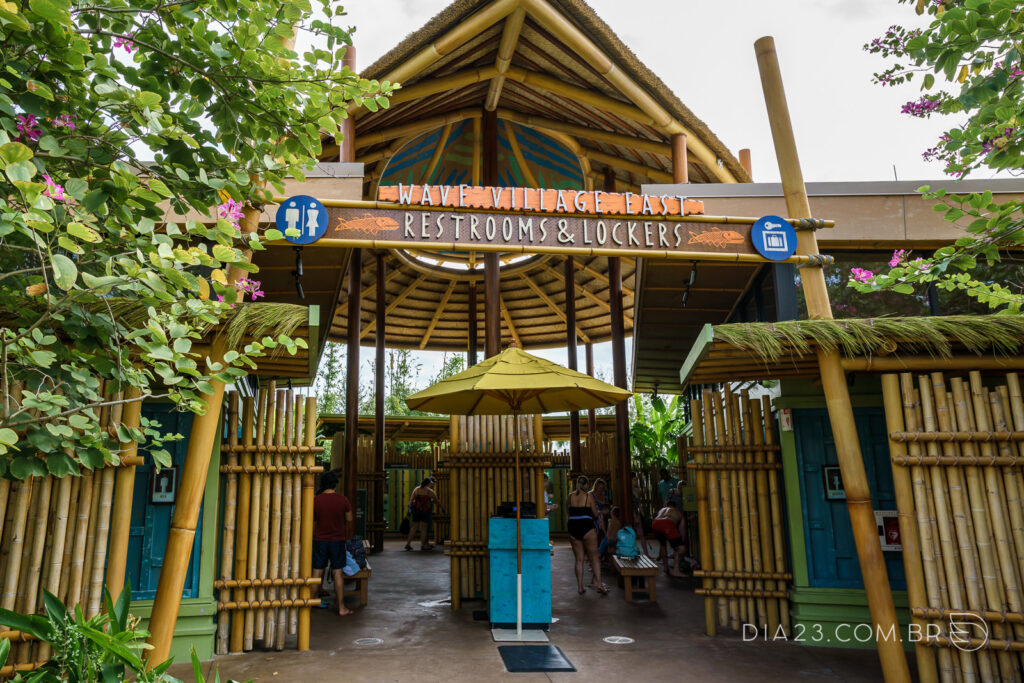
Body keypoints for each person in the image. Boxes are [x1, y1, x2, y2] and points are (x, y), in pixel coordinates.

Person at [311, 471, 354, 616]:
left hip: (319, 540)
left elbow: (312, 520)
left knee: (317, 571)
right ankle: (342, 607)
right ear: (335, 484)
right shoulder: (343, 500)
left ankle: (311, 602)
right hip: (337, 540)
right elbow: (349, 519)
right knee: (337, 572)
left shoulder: (315, 500)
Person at [567, 475, 607, 595]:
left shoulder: (570, 497)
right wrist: (600, 512)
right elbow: (595, 514)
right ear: (586, 485)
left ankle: (580, 587)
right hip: (587, 527)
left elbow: (568, 511)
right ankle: (599, 584)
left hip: (573, 527)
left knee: (579, 559)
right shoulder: (588, 497)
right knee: (594, 558)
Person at [405, 477, 444, 551]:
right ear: (428, 483)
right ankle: (423, 545)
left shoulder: (416, 489)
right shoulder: (429, 491)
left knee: (414, 528)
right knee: (424, 529)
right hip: (425, 511)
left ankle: (408, 544)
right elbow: (437, 501)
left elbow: (411, 500)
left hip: (416, 511)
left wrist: (409, 510)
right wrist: (442, 509)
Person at [652, 501, 686, 578]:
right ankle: (676, 571)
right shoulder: (678, 512)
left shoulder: (662, 510)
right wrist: (681, 543)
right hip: (667, 523)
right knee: (681, 549)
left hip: (655, 523)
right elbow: (682, 530)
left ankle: (665, 568)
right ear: (675, 506)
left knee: (663, 544)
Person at [630, 473, 653, 557]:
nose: (636, 481)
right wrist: (635, 517)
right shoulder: (628, 491)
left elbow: (639, 504)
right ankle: (633, 553)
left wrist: (643, 514)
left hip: (636, 513)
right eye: (634, 480)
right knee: (632, 535)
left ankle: (646, 554)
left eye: (637, 479)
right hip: (630, 514)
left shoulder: (637, 490)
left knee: (642, 534)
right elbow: (630, 505)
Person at [589, 478, 612, 543]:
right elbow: (588, 509)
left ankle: (609, 540)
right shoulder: (590, 495)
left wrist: (608, 510)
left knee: (612, 520)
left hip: (605, 517)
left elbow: (608, 507)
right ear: (595, 487)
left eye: (602, 488)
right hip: (594, 517)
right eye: (599, 487)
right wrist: (601, 512)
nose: (600, 489)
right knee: (600, 520)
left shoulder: (605, 497)